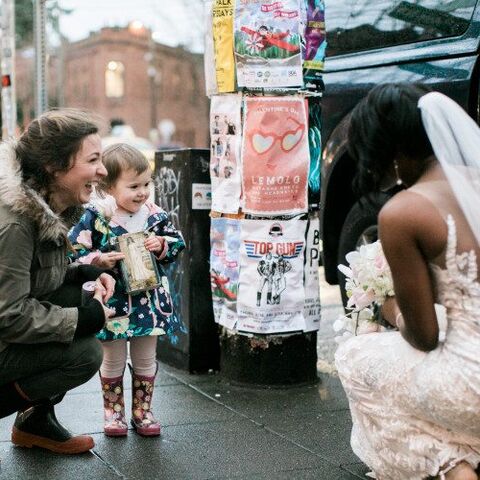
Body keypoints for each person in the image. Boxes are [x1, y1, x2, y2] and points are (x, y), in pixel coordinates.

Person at [335, 83, 480, 480]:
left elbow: (425, 336)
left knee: (355, 358)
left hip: (473, 380)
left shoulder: (404, 212)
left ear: (392, 152)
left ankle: (455, 466)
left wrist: (391, 308)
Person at [0, 109, 116, 454]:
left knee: (74, 298)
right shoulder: (16, 224)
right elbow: (9, 314)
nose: (103, 170)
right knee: (84, 353)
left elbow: (35, 279)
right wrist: (84, 319)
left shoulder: (46, 206)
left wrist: (83, 273)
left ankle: (34, 422)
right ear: (54, 166)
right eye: (93, 159)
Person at [68, 143, 185, 437]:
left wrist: (162, 246)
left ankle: (143, 413)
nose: (142, 192)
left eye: (147, 183)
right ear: (108, 187)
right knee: (113, 358)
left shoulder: (154, 215)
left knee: (146, 357)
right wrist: (97, 260)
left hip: (150, 301)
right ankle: (114, 413)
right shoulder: (96, 217)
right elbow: (73, 250)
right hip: (113, 301)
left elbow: (177, 243)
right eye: (133, 186)